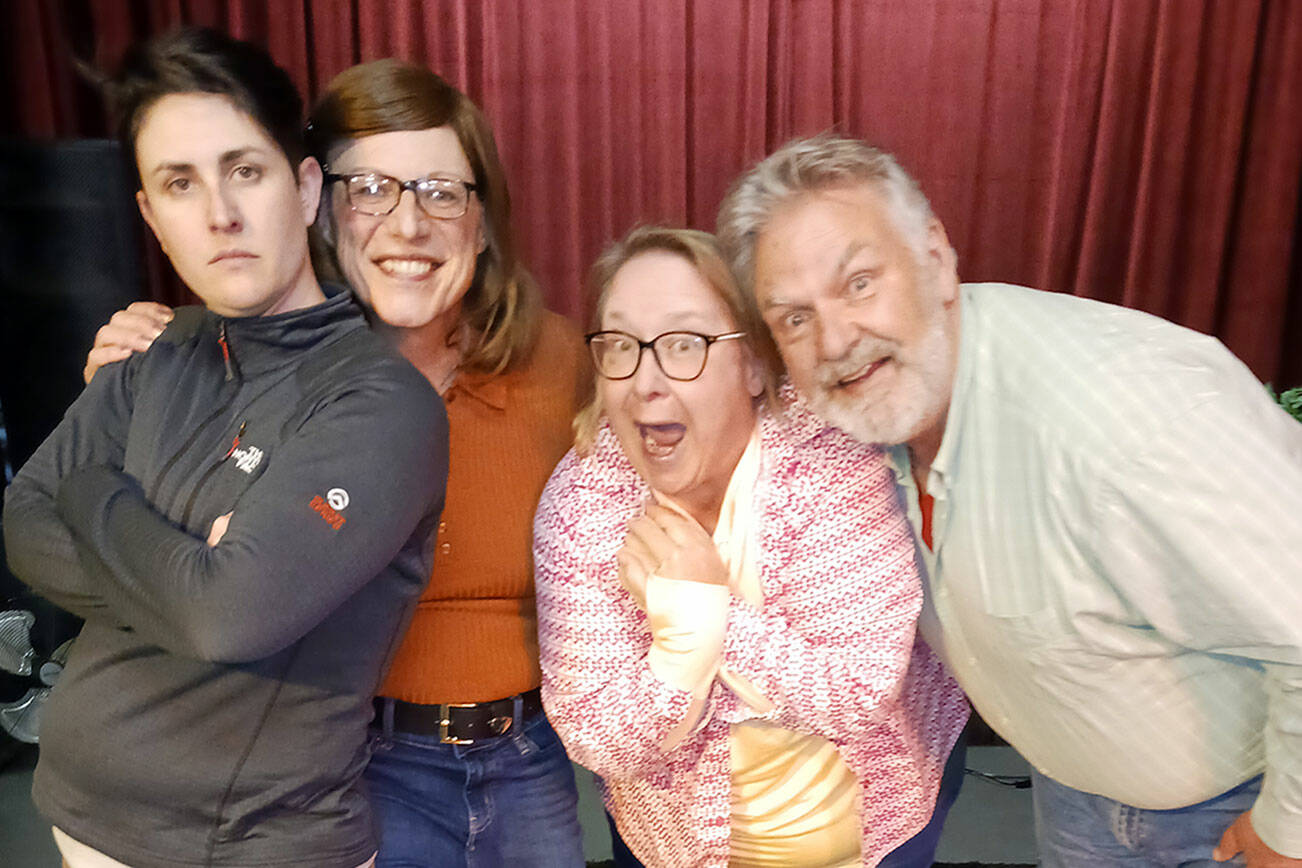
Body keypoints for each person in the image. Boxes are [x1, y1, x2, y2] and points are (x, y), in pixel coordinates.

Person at [716, 134, 1302, 868]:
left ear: (935, 258)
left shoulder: (1125, 423)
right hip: (1074, 791)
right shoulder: (863, 418)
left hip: (1233, 815)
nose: (835, 341)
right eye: (795, 319)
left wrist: (1289, 830)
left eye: (859, 283)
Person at [84, 58, 588, 867]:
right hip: (351, 770)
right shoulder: (227, 366)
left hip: (530, 763)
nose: (408, 226)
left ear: (483, 222)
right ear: (316, 205)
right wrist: (123, 397)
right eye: (371, 190)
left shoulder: (564, 363)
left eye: (441, 192)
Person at [3, 28, 447, 868]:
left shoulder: (381, 403)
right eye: (181, 183)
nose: (220, 213)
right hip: (77, 820)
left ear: (305, 188)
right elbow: (24, 522)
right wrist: (183, 574)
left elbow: (230, 615)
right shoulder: (155, 348)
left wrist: (92, 492)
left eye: (244, 170)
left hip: (255, 844)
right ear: (151, 216)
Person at [533, 225, 968, 867]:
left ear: (756, 365)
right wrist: (684, 651)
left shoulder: (830, 458)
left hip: (876, 811)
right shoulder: (584, 503)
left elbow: (857, 686)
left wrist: (706, 614)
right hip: (675, 838)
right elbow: (594, 733)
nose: (645, 381)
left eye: (684, 344)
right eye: (620, 345)